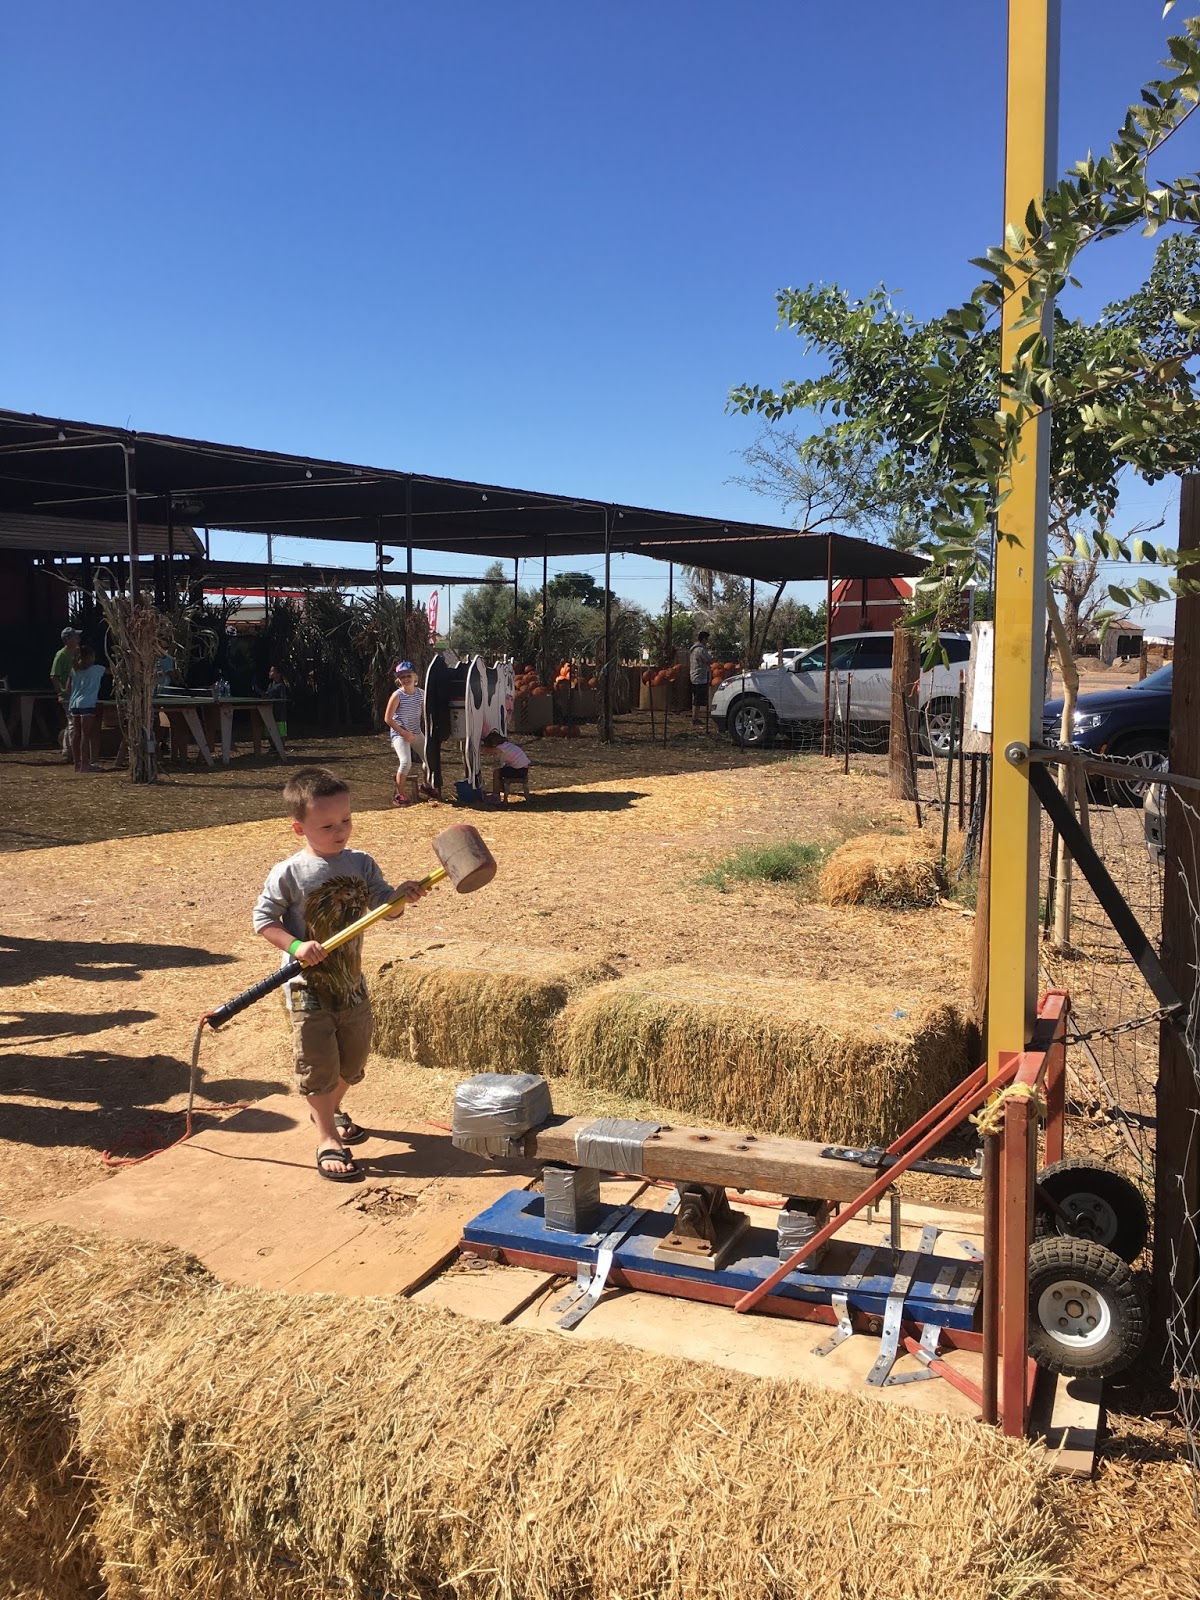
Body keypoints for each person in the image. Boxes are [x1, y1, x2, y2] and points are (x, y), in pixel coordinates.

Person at [252, 767, 427, 1182]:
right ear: (299, 828)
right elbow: (264, 921)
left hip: (351, 982)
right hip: (307, 987)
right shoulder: (290, 873)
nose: (340, 831)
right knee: (318, 1063)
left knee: (353, 1063)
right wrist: (296, 946)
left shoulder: (361, 863)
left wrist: (402, 897)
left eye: (346, 820)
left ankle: (329, 1110)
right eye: (327, 825)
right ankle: (327, 1137)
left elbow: (385, 907)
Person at [383, 660, 426, 806]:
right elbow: (388, 719)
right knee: (406, 762)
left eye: (408, 675)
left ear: (414, 676)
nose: (406, 679)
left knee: (430, 759)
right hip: (400, 734)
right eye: (402, 677)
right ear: (398, 679)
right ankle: (399, 795)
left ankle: (426, 786)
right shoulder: (397, 695)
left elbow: (426, 714)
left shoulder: (421, 693)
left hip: (416, 732)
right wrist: (404, 733)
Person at [68, 645, 106, 772]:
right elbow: (113, 671)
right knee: (86, 734)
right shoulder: (97, 669)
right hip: (88, 703)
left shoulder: (74, 670)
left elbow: (68, 688)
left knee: (76, 733)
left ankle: (77, 763)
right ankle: (85, 763)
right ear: (90, 657)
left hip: (74, 703)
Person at [50, 627, 80, 762]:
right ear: (67, 639)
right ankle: (71, 752)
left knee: (72, 722)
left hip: (77, 693)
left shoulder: (78, 653)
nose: (78, 639)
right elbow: (54, 676)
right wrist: (60, 692)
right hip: (68, 695)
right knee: (72, 721)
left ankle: (68, 750)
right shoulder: (61, 655)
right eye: (75, 637)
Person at [481, 728, 531, 802]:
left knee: (497, 773)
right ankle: (500, 789)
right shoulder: (507, 745)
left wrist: (479, 746)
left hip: (519, 770)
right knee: (503, 769)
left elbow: (486, 750)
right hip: (523, 769)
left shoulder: (501, 748)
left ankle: (495, 796)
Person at [689, 631, 713, 728]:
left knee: (696, 698)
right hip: (700, 677)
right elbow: (708, 660)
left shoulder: (693, 649)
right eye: (706, 639)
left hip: (694, 676)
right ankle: (695, 718)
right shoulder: (700, 650)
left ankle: (695, 717)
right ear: (703, 639)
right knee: (697, 699)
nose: (707, 641)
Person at [264, 664, 289, 742]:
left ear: (278, 673)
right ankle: (273, 746)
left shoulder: (281, 686)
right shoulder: (270, 685)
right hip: (270, 712)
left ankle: (281, 747)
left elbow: (283, 699)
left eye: (272, 671)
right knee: (269, 732)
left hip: (279, 714)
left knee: (281, 732)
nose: (270, 673)